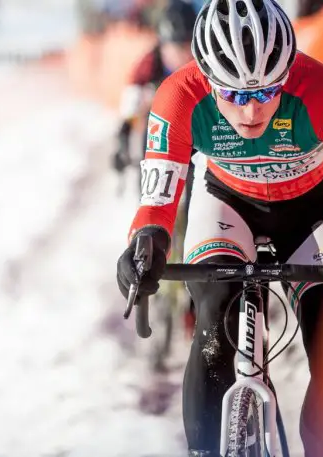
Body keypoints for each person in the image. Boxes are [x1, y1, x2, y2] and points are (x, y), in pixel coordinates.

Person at [115, 0, 323, 455]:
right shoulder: (178, 94)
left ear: (289, 73)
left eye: (266, 93)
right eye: (233, 95)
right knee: (213, 316)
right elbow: (156, 206)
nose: (251, 111)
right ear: (206, 79)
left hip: (308, 212)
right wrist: (145, 244)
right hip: (226, 204)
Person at [112, 0, 199, 355]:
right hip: (156, 156)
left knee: (195, 226)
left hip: (196, 154)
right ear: (161, 45)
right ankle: (156, 289)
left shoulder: (205, 66)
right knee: (152, 222)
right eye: (173, 47)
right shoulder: (148, 65)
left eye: (185, 47)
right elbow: (129, 111)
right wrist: (120, 143)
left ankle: (193, 304)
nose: (179, 54)